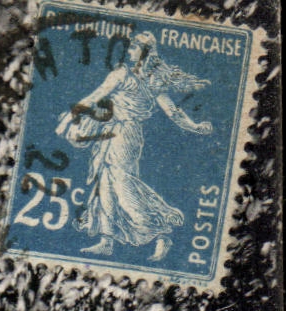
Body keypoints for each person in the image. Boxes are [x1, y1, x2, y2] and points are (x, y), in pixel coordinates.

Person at [56, 31, 213, 262]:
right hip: (113, 131)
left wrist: (195, 127)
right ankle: (107, 240)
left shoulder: (141, 79)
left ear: (145, 52)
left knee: (122, 184)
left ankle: (159, 233)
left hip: (125, 134)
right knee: (105, 182)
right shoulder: (130, 75)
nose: (129, 51)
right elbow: (96, 97)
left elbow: (173, 112)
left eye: (133, 48)